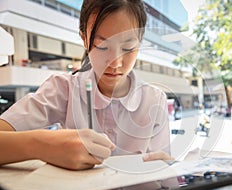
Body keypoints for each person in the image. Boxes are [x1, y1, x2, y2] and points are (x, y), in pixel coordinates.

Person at [0, 0, 172, 170]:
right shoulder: (64, 89)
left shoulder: (155, 100)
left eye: (128, 48)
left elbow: (166, 178)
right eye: (102, 47)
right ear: (84, 39)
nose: (115, 63)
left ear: (140, 42)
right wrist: (41, 144)